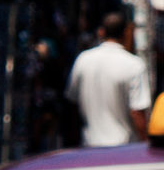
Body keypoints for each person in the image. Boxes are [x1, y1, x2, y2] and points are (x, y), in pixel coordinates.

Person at [64, 12, 151, 147]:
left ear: (101, 32)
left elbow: (72, 105)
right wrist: (147, 143)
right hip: (123, 149)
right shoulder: (134, 64)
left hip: (89, 146)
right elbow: (137, 112)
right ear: (126, 33)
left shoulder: (83, 60)